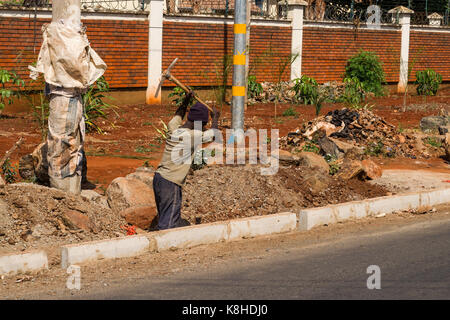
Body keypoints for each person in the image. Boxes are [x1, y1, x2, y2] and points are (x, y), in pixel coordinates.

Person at [153, 92, 220, 230]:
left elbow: (177, 116)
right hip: (171, 183)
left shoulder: (174, 129)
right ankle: (166, 246)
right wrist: (215, 118)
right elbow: (213, 134)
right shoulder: (192, 135)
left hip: (159, 178)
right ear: (199, 124)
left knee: (165, 215)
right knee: (168, 225)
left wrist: (185, 101)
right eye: (203, 125)